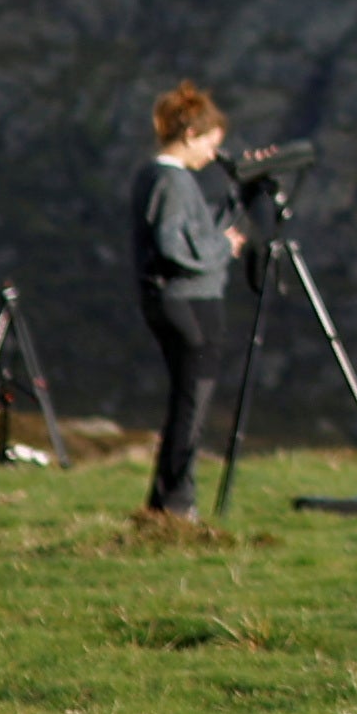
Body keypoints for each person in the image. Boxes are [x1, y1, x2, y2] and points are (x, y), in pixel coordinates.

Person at [129, 82, 245, 517]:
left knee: (186, 400)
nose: (213, 156)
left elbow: (186, 233)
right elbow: (175, 246)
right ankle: (177, 502)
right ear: (192, 134)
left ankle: (167, 500)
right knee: (191, 402)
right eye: (211, 145)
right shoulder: (172, 181)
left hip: (174, 301)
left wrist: (236, 204)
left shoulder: (155, 178)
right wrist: (223, 247)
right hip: (189, 304)